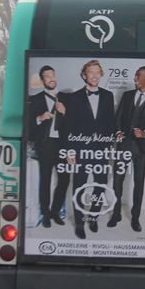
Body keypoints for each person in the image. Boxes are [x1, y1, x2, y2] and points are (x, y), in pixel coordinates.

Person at [108, 66, 145, 232]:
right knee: (117, 179)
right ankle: (116, 213)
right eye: (135, 75)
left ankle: (135, 218)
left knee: (139, 182)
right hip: (124, 144)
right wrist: (118, 132)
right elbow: (118, 118)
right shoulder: (127, 96)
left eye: (138, 76)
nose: (134, 79)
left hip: (142, 147)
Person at [63, 60, 115, 239]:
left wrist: (109, 142)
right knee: (79, 186)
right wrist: (70, 151)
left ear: (101, 75)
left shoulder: (108, 96)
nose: (94, 76)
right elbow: (68, 126)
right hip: (80, 150)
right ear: (84, 75)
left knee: (100, 185)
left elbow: (110, 122)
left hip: (100, 150)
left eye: (97, 72)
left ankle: (93, 217)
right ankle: (79, 223)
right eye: (90, 73)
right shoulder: (74, 97)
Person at [28, 65, 70, 227]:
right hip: (46, 144)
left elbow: (75, 122)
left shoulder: (66, 98)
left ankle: (55, 211)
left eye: (53, 75)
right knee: (45, 180)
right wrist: (40, 117)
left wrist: (65, 111)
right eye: (47, 76)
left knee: (64, 180)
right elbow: (29, 125)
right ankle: (45, 214)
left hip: (63, 144)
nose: (51, 78)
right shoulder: (35, 99)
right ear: (42, 80)